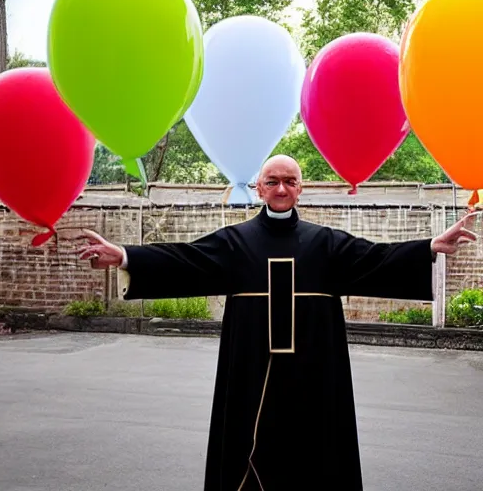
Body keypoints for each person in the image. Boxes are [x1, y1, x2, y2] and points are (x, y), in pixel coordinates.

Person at [76, 155, 477, 490]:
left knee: (316, 454)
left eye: (290, 181)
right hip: (251, 374)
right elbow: (185, 259)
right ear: (259, 188)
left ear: (301, 188)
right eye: (273, 181)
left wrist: (429, 246)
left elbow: (376, 258)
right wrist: (126, 256)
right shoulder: (235, 243)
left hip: (315, 377)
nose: (281, 189)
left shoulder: (326, 244)